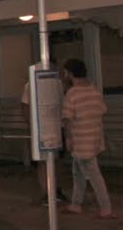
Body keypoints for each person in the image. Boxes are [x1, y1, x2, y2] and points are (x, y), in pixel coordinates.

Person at [60, 58, 116, 219]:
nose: (64, 75)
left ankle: (106, 209)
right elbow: (102, 110)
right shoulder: (93, 90)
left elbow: (67, 118)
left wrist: (68, 138)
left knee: (94, 175)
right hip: (94, 138)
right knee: (77, 172)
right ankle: (76, 204)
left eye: (65, 72)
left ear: (70, 74)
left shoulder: (72, 93)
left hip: (81, 140)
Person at [21, 77, 70, 206]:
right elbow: (25, 106)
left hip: (56, 126)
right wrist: (32, 125)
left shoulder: (58, 83)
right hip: (42, 127)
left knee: (57, 159)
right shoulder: (30, 84)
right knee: (42, 162)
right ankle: (47, 192)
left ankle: (56, 189)